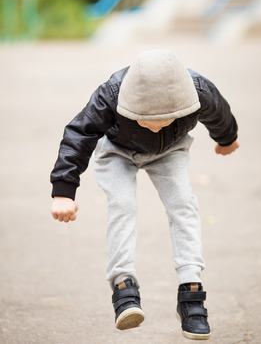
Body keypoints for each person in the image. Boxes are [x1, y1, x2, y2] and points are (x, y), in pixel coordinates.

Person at [50, 49, 239, 340]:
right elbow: (79, 135)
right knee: (122, 205)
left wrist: (227, 139)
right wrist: (64, 190)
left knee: (183, 204)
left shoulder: (199, 91)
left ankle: (191, 290)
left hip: (170, 151)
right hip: (116, 152)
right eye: (142, 118)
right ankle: (123, 284)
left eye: (164, 119)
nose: (153, 125)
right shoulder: (110, 94)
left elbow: (220, 114)